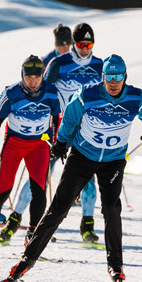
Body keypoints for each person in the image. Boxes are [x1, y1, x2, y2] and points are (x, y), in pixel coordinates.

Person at [2, 54, 142, 282]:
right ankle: (27, 260)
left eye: (118, 77)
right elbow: (70, 120)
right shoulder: (87, 95)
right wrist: (61, 143)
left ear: (125, 77)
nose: (113, 82)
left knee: (111, 209)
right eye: (109, 77)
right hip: (82, 157)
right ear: (103, 77)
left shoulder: (137, 97)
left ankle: (116, 266)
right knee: (58, 209)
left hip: (113, 161)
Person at [0, 55, 62, 255]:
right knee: (3, 190)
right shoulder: (11, 94)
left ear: (42, 75)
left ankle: (33, 236)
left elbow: (57, 118)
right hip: (14, 144)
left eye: (37, 77)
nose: (33, 82)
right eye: (29, 78)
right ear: (23, 76)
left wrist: (56, 141)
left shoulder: (52, 92)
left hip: (39, 145)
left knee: (39, 190)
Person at [41, 21, 104, 243]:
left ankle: (87, 226)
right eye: (81, 44)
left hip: (87, 130)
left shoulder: (100, 65)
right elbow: (43, 92)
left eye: (89, 44)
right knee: (43, 173)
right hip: (59, 127)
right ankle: (35, 221)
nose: (85, 48)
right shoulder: (58, 63)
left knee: (88, 179)